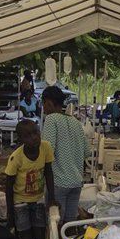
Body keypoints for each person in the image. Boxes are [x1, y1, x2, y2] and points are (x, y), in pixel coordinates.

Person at [4, 119, 55, 239]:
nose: (34, 138)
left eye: (36, 133)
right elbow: (8, 186)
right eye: (29, 135)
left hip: (38, 200)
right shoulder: (16, 158)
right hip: (20, 203)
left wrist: (51, 198)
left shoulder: (46, 148)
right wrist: (10, 214)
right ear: (21, 139)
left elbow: (48, 172)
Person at [42, 86, 88, 223]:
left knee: (55, 225)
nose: (43, 107)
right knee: (69, 224)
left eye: (43, 103)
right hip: (76, 182)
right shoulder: (75, 122)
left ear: (49, 103)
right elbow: (87, 151)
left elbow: (47, 151)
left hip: (59, 182)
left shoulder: (51, 120)